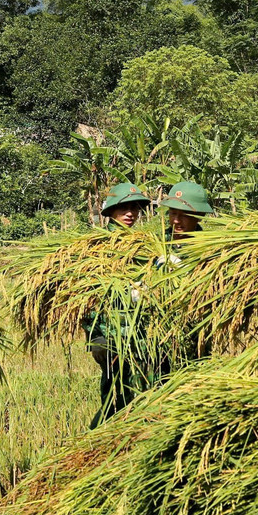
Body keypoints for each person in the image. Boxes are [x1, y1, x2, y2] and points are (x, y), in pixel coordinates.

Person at [86, 181, 156, 427]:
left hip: (138, 332)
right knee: (115, 393)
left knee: (142, 390)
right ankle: (97, 440)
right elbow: (88, 297)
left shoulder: (144, 244)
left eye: (135, 209)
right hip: (109, 334)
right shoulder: (97, 246)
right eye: (124, 208)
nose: (131, 214)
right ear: (110, 211)